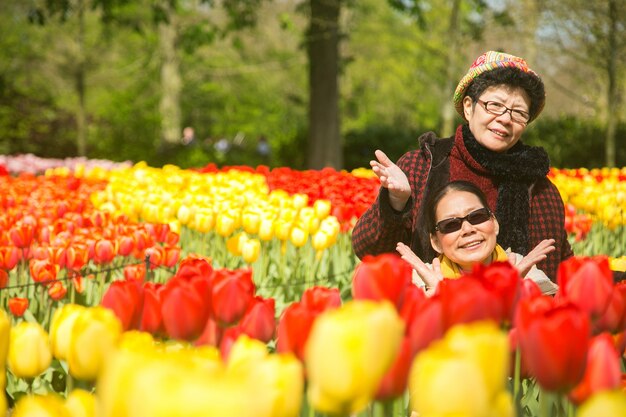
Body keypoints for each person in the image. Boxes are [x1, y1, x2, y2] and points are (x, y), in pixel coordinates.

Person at [352, 50, 573, 281]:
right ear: (469, 107)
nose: (505, 119)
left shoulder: (539, 191)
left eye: (518, 113)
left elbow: (558, 271)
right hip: (428, 309)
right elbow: (369, 253)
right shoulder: (422, 168)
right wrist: (396, 203)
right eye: (494, 105)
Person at [396, 181, 559, 296]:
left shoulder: (524, 272)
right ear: (436, 242)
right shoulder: (421, 281)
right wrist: (436, 301)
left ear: (495, 224)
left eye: (477, 216)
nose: (467, 229)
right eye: (451, 225)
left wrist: (511, 292)